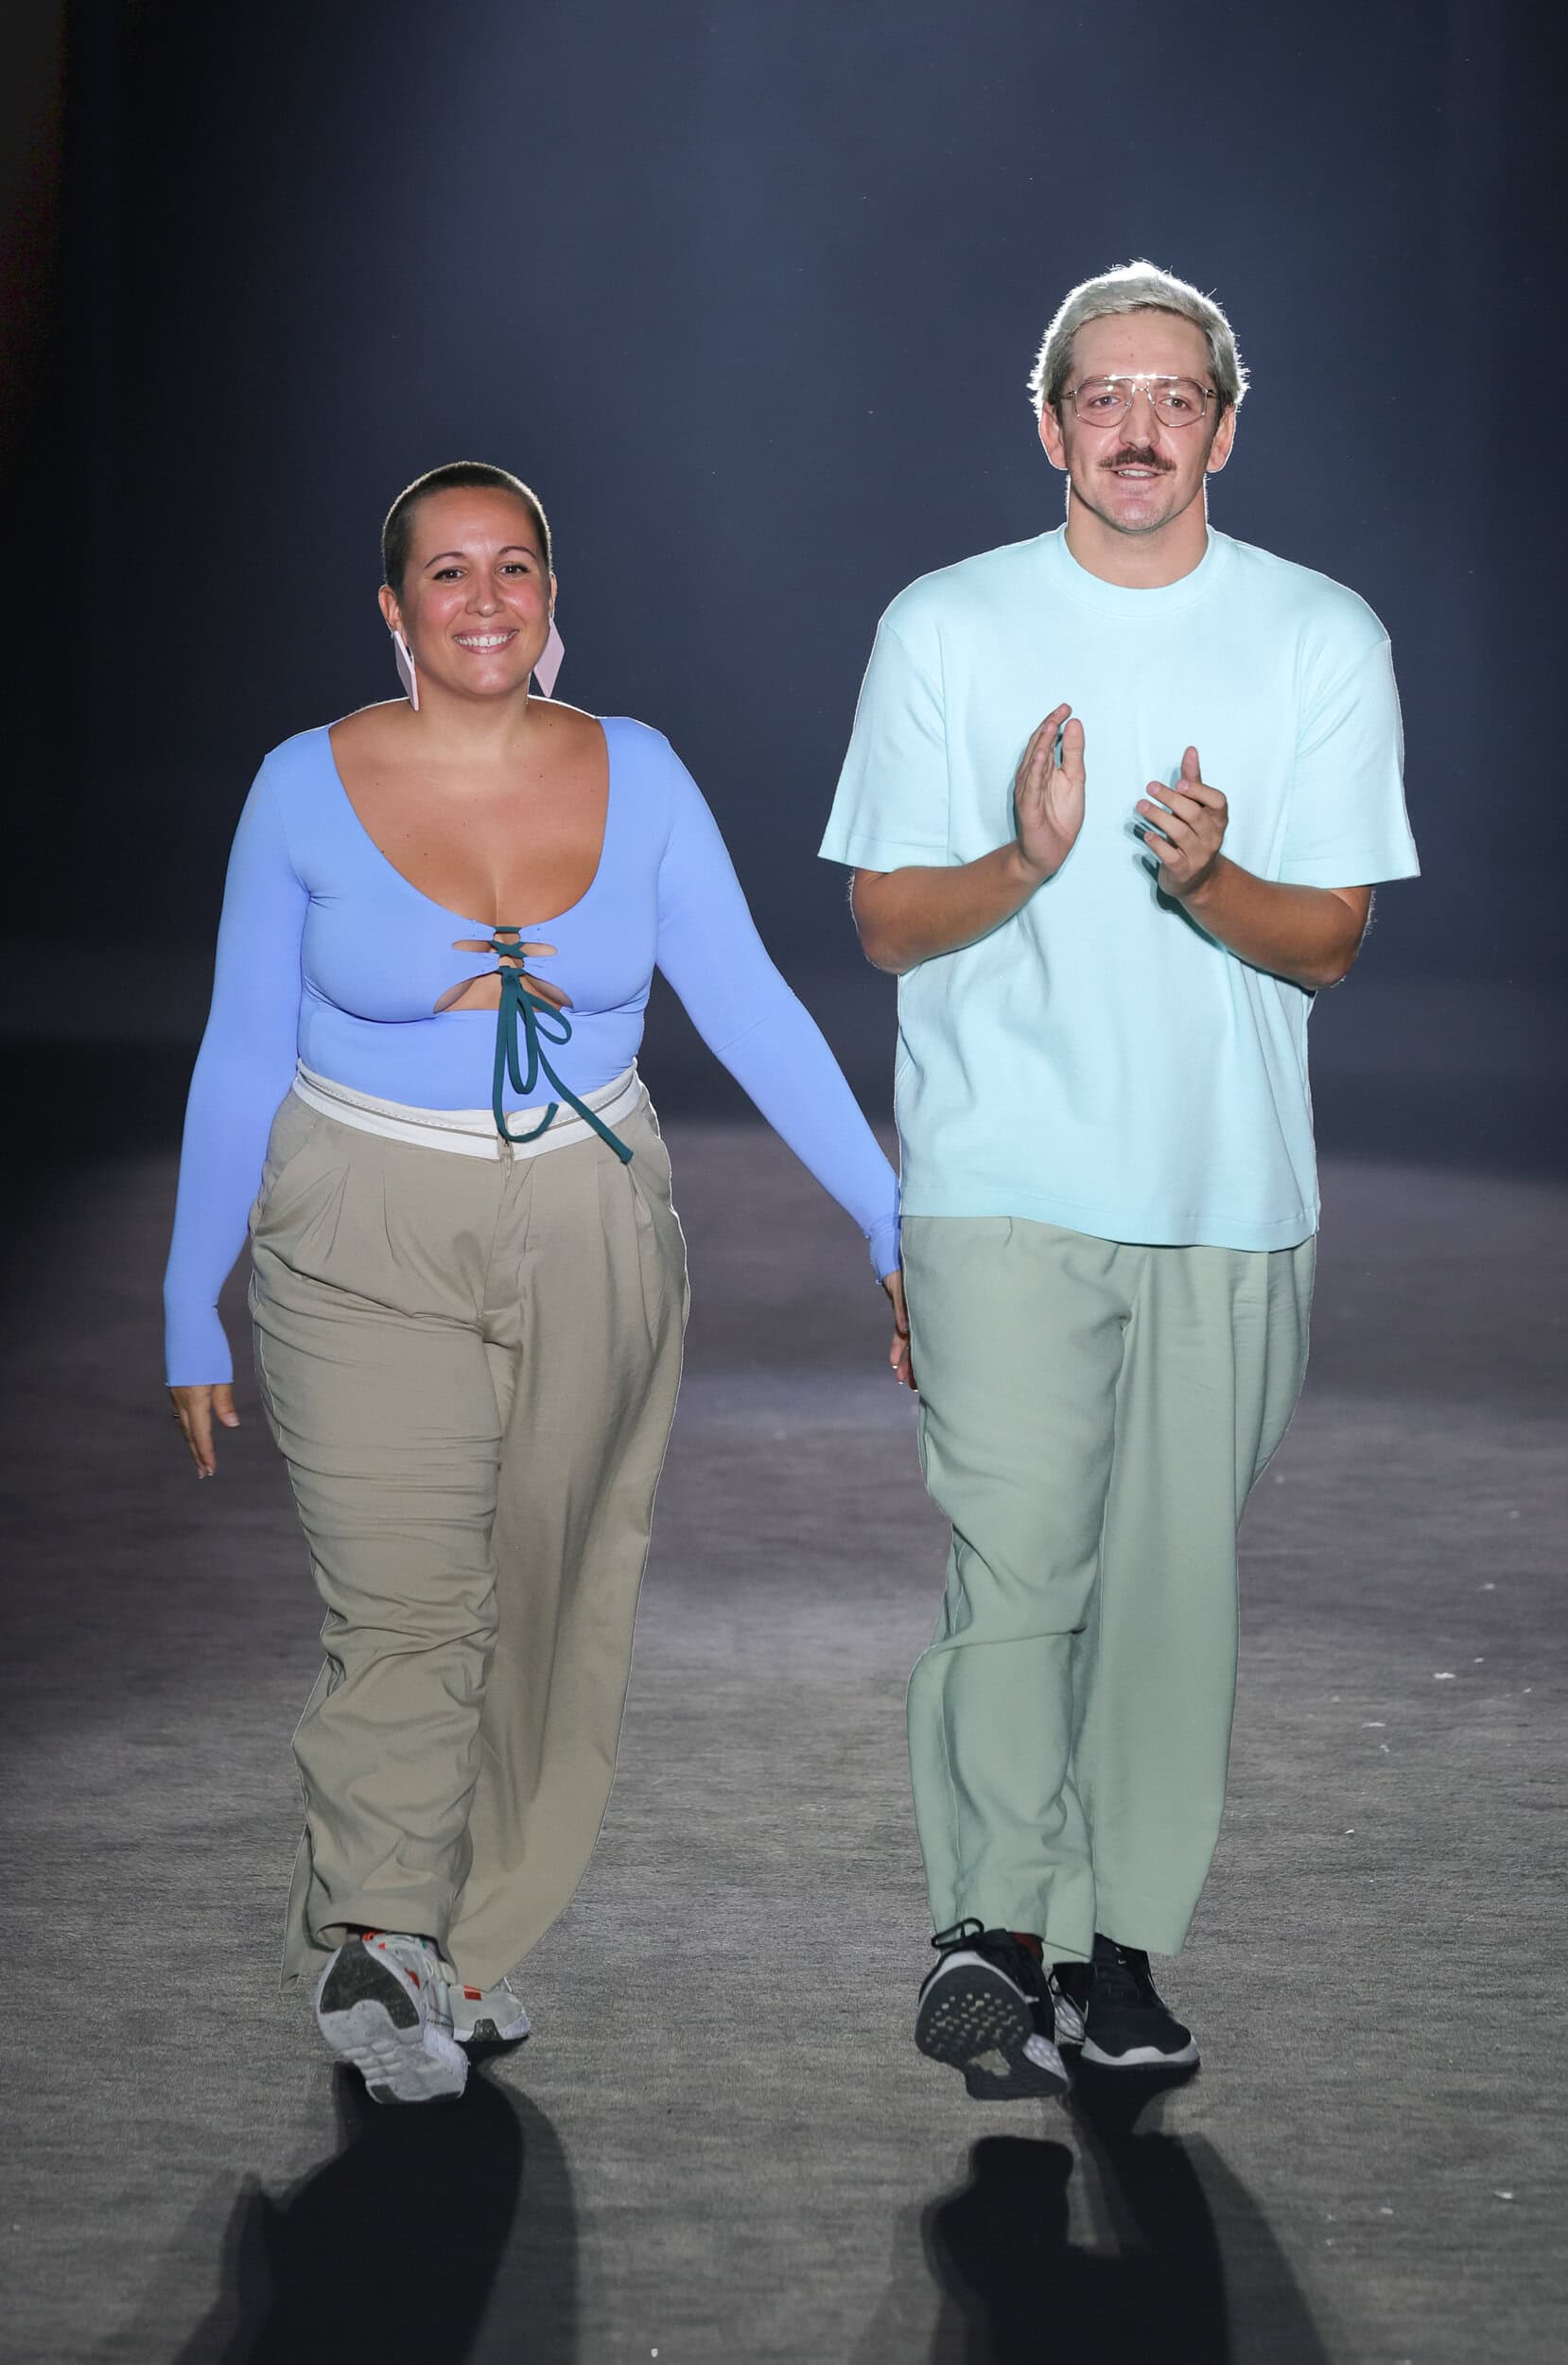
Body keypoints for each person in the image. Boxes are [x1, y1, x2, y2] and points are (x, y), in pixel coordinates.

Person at [165, 460, 906, 2105]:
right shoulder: (301, 788)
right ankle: (378, 1929)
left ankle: (463, 1945)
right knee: (406, 1604)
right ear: (393, 607)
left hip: (595, 1222)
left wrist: (885, 1212)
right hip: (356, 1226)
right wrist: (185, 1292)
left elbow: (750, 1005)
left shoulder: (640, 773)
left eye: (514, 566)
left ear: (552, 598)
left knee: (555, 1599)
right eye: (448, 571)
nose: (484, 597)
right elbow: (241, 1046)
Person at [820, 261, 1417, 2098]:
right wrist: (1024, 858)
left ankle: (1115, 1952)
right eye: (1104, 395)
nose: (1139, 428)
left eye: (1175, 398)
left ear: (1224, 429)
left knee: (1171, 1593)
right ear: (1051, 425)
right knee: (1018, 1557)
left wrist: (1205, 878)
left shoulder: (1321, 635)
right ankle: (995, 1930)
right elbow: (884, 918)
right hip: (997, 1173)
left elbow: (1332, 939)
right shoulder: (945, 623)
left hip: (1226, 1191)